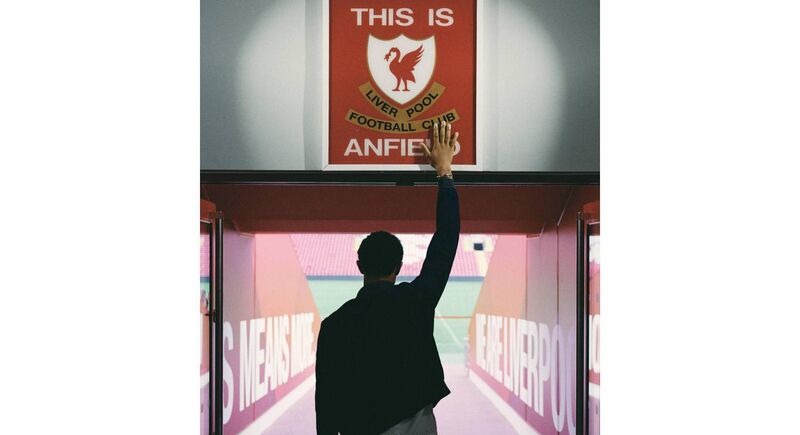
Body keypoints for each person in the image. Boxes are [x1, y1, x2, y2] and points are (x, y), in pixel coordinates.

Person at [315, 122, 461, 435]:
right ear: (398, 266)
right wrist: (444, 172)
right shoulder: (416, 301)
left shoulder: (333, 324)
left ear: (359, 266)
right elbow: (446, 239)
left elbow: (326, 402)